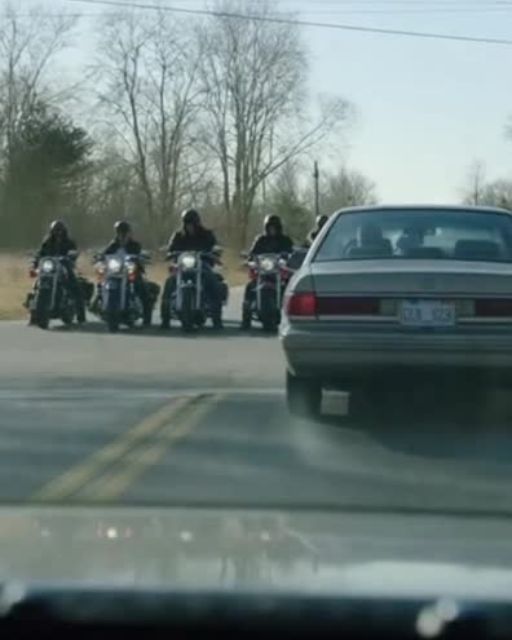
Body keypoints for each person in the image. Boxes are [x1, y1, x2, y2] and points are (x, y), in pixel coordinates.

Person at [160, 209, 226, 330]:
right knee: (169, 282)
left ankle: (217, 319)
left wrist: (215, 252)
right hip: (182, 266)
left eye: (192, 223)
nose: (189, 226)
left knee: (213, 282)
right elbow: (171, 248)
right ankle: (165, 319)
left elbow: (214, 246)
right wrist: (169, 252)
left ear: (197, 223)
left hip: (202, 264)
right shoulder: (178, 235)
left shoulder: (207, 234)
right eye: (187, 223)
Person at [99, 221, 157, 327]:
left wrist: (141, 258)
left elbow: (140, 254)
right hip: (115, 272)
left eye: (124, 232)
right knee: (101, 284)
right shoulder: (113, 244)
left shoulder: (135, 245)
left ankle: (147, 317)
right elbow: (105, 254)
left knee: (142, 288)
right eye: (119, 232)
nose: (122, 234)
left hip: (131, 272)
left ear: (129, 233)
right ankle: (100, 306)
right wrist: (99, 257)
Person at [241, 214, 294, 330]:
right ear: (266, 227)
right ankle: (245, 320)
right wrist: (249, 260)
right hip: (263, 271)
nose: (272, 229)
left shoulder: (285, 240)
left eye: (274, 227)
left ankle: (292, 311)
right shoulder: (260, 239)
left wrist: (288, 258)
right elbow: (252, 253)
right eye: (270, 227)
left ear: (279, 227)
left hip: (280, 271)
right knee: (250, 287)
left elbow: (292, 253)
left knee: (291, 286)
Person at [29, 220, 86, 324]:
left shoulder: (69, 242)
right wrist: (34, 264)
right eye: (55, 230)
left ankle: (81, 315)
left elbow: (74, 252)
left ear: (64, 231)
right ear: (52, 231)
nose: (58, 233)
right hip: (49, 268)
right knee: (36, 286)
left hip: (64, 266)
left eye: (60, 230)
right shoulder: (47, 242)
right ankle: (33, 314)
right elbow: (40, 254)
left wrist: (71, 256)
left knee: (75, 287)